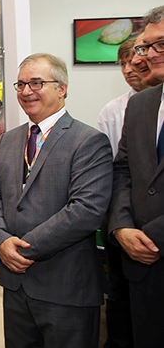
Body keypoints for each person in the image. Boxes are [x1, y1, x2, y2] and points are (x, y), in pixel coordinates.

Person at [0, 53, 112, 348]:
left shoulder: (88, 141)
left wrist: (22, 249)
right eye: (21, 84)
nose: (26, 91)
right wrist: (1, 241)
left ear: (61, 88)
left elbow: (86, 210)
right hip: (15, 287)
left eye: (36, 83)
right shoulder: (10, 140)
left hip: (66, 286)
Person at [110, 5, 164, 347]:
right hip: (142, 268)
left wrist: (151, 235)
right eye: (146, 46)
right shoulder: (141, 105)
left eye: (161, 44)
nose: (149, 54)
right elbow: (122, 171)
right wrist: (121, 226)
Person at [97, 38, 149, 348]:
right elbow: (113, 169)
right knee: (120, 293)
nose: (129, 69)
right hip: (120, 216)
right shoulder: (113, 110)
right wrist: (119, 223)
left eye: (135, 61)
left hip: (153, 217)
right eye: (123, 63)